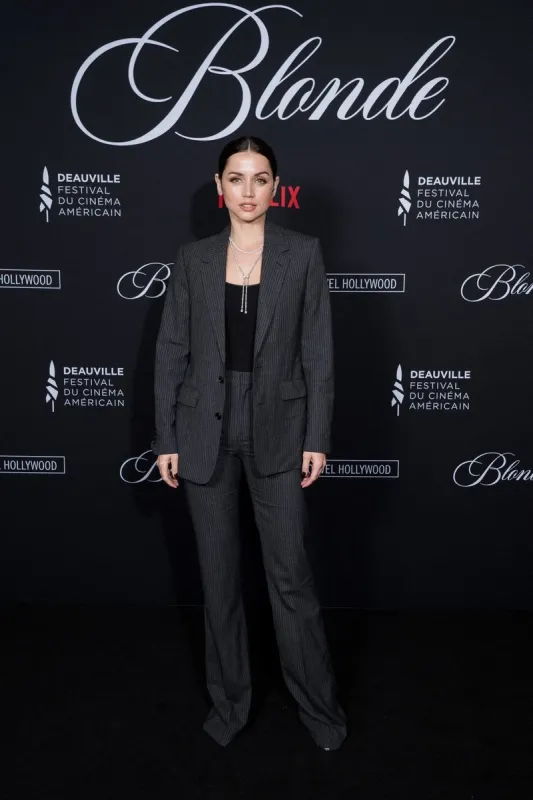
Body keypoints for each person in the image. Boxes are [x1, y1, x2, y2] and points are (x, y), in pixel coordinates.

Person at [151, 135, 348, 751]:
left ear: (275, 188)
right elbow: (171, 350)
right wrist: (166, 436)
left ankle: (319, 710)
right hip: (202, 428)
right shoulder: (193, 259)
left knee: (290, 577)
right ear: (219, 188)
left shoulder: (303, 253)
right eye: (235, 179)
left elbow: (317, 352)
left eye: (260, 179)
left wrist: (317, 435)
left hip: (279, 427)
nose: (247, 191)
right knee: (218, 580)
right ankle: (230, 705)